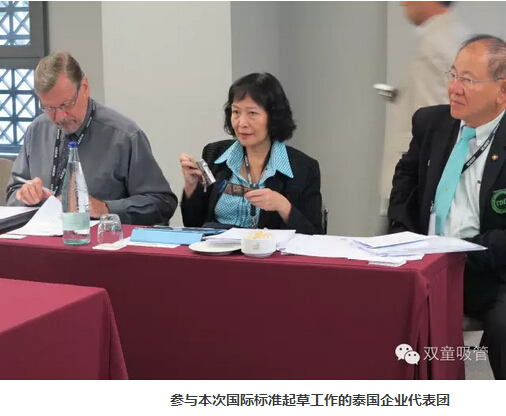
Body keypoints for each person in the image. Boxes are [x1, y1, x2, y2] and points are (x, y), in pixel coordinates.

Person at [388, 35, 506, 379]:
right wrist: (402, 232)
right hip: (425, 267)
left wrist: (464, 251)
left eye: (467, 79)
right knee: (373, 307)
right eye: (452, 75)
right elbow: (405, 177)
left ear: (502, 90)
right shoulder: (431, 123)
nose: (454, 88)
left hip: (490, 273)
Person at [6, 51, 177, 225]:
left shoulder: (124, 136)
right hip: (41, 237)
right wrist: (26, 197)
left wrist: (105, 208)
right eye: (49, 108)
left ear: (85, 87)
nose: (59, 117)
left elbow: (163, 204)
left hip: (99, 239)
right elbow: (13, 194)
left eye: (66, 104)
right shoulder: (36, 131)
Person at [179, 73, 322, 235]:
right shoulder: (214, 154)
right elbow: (194, 225)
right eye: (236, 112)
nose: (241, 123)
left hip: (269, 251)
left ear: (273, 117)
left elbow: (315, 236)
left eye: (252, 113)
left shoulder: (303, 168)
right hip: (218, 249)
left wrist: (283, 206)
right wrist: (191, 188)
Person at [379, 1, 467, 216]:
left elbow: (435, 123)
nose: (403, 3)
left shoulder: (435, 45)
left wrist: (408, 186)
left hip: (414, 183)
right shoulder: (450, 35)